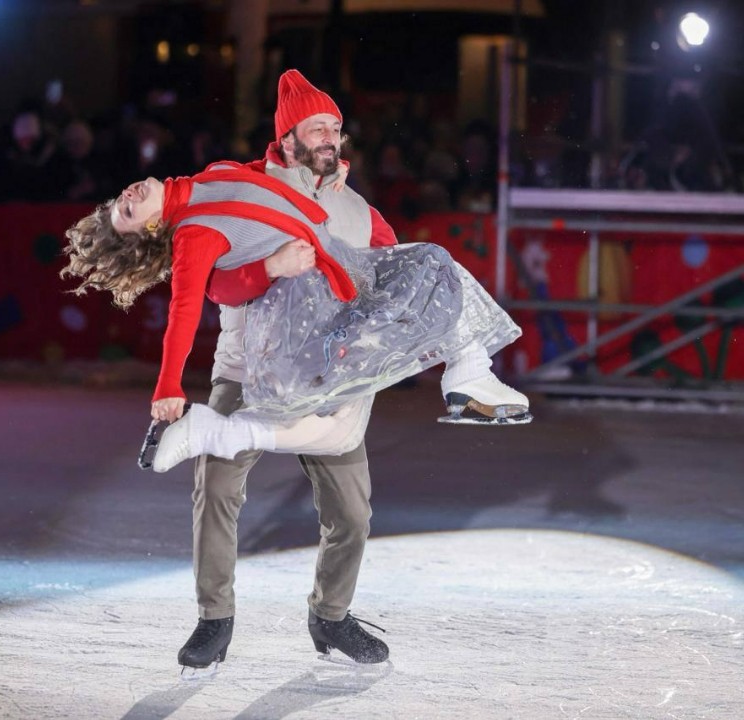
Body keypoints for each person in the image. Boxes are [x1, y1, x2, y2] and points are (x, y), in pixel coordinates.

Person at [61, 71, 529, 668]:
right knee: (218, 487)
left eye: (335, 127)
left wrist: (397, 343)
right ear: (286, 140)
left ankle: (331, 616)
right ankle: (214, 619)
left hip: (332, 372)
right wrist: (272, 268)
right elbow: (217, 290)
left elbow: (386, 274)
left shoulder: (357, 209)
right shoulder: (241, 183)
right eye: (316, 128)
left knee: (352, 511)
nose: (330, 137)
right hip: (248, 367)